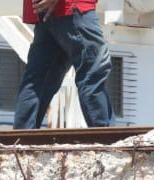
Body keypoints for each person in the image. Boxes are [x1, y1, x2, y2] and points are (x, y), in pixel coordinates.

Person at [12, 0, 114, 129]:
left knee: (38, 81)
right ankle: (106, 137)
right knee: (93, 71)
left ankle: (22, 139)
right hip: (72, 7)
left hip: (46, 12)